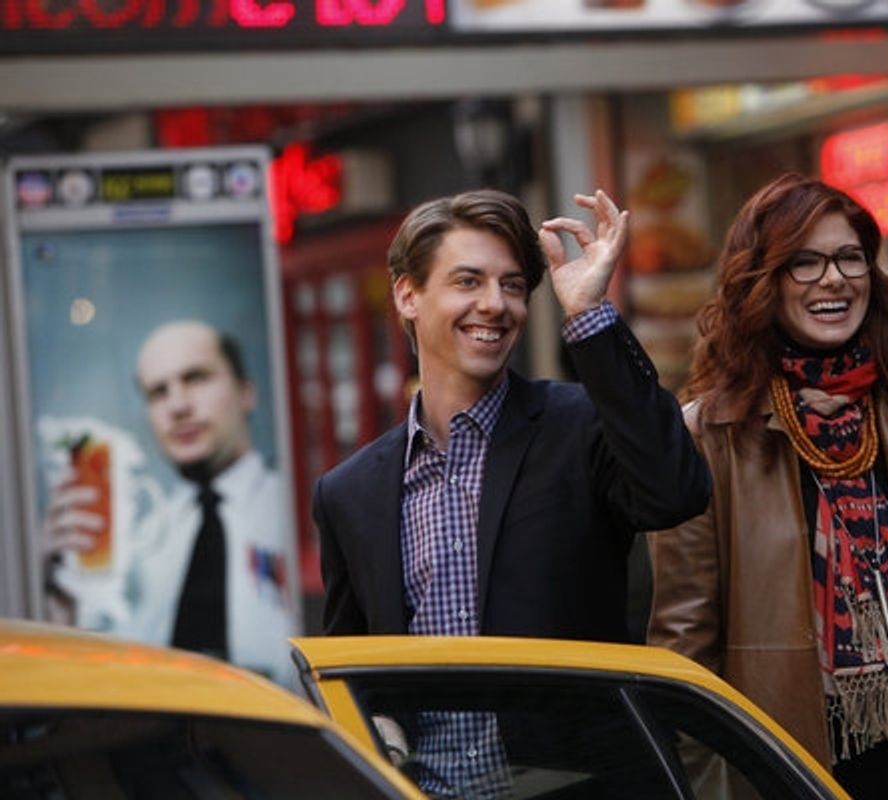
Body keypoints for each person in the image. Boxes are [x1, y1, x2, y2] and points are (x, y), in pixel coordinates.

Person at [313, 188, 710, 795]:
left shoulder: (578, 428)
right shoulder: (350, 493)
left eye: (514, 285)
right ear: (407, 294)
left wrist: (590, 316)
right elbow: (352, 671)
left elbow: (675, 491)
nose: (495, 305)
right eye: (468, 281)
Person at [647, 174, 888, 800]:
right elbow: (686, 657)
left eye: (850, 258)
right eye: (805, 262)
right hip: (786, 772)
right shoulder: (708, 436)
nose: (834, 279)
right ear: (762, 281)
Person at [41, 320, 300, 684]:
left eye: (196, 378)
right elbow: (105, 675)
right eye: (158, 393)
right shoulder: (142, 541)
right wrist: (61, 596)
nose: (177, 406)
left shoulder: (298, 511)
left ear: (246, 393)